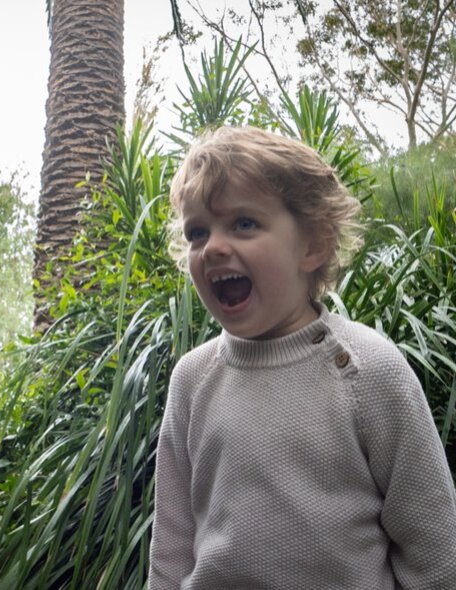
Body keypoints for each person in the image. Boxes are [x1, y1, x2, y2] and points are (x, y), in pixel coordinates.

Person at [148, 126, 456, 589]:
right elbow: (170, 552)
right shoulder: (192, 379)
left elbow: (434, 545)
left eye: (244, 223)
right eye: (197, 232)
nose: (211, 247)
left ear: (313, 244)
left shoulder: (368, 369)